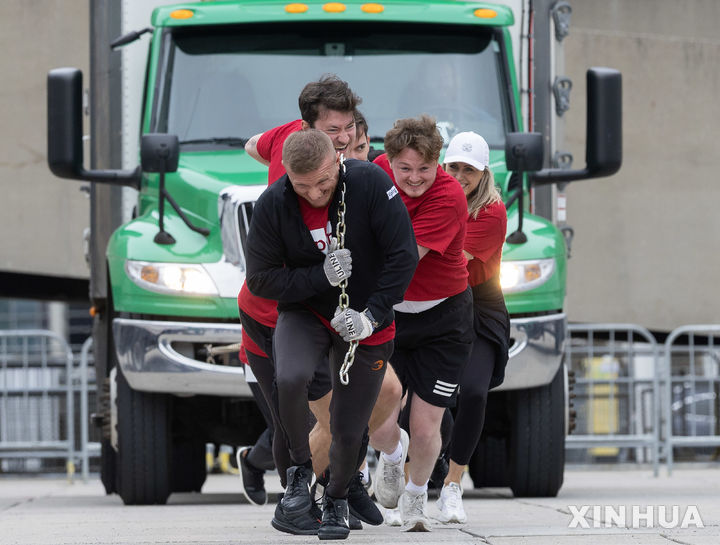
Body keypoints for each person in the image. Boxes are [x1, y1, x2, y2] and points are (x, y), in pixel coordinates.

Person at [246, 130, 418, 540]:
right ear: (288, 176)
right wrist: (318, 276)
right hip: (306, 311)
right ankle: (298, 473)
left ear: (337, 162)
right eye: (302, 186)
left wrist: (372, 315)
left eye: (323, 183)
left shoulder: (369, 183)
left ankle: (338, 497)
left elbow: (403, 255)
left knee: (348, 424)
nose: (315, 194)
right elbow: (260, 280)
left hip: (366, 312)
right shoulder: (273, 203)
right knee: (290, 378)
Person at [370, 115, 474, 532]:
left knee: (426, 421)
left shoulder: (449, 196)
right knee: (377, 416)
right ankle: (393, 454)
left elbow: (403, 259)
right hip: (392, 315)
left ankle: (415, 495)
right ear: (390, 161)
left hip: (443, 318)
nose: (414, 179)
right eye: (405, 169)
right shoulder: (375, 173)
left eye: (425, 169)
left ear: (439, 164)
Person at [436, 131, 510, 523]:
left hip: (478, 304)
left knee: (475, 392)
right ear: (443, 166)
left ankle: (453, 485)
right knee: (419, 395)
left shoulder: (491, 211)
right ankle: (413, 467)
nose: (461, 176)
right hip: (435, 302)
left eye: (470, 169)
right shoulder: (429, 199)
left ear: (484, 174)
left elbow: (451, 263)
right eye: (454, 167)